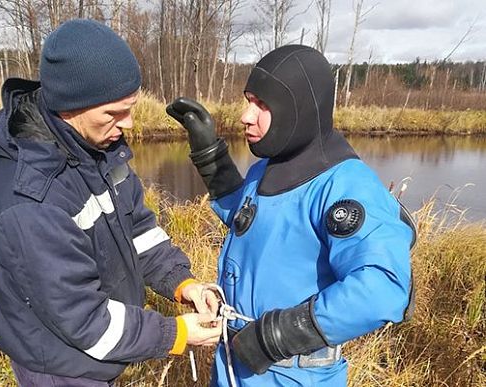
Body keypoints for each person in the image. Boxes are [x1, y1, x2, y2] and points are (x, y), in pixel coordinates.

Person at [0, 19, 222, 386]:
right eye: (114, 113)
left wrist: (184, 284)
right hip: (60, 367)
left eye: (130, 108)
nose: (130, 124)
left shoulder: (97, 149)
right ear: (70, 107)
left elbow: (138, 230)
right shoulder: (29, 200)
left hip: (95, 353)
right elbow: (85, 321)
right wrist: (176, 334)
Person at [167, 45, 416, 386]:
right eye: (248, 100)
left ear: (297, 108)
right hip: (234, 366)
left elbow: (382, 288)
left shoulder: (346, 187)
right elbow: (255, 227)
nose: (246, 115)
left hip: (294, 375)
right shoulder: (266, 169)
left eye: (262, 104)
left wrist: (276, 336)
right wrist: (211, 158)